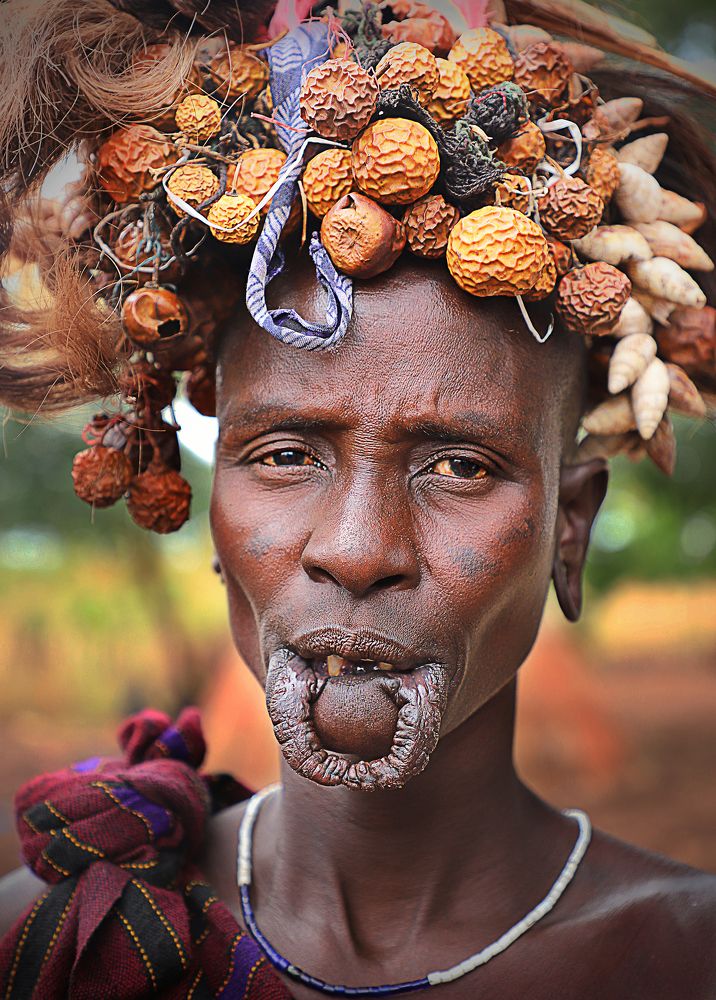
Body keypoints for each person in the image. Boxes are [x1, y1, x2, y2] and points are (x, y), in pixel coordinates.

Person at [1, 0, 715, 996]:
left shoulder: (685, 959)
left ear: (570, 524)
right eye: (285, 454)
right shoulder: (57, 940)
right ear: (213, 515)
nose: (354, 546)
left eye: (459, 466)